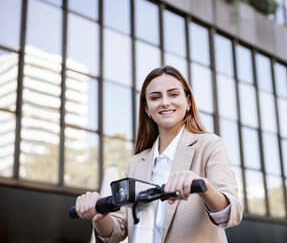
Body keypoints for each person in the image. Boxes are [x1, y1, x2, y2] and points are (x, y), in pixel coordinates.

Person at [75, 66, 243, 243]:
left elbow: (231, 212)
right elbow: (119, 229)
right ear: (147, 109)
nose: (165, 102)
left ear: (188, 102)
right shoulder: (136, 163)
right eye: (155, 97)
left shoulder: (208, 145)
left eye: (173, 94)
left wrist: (201, 185)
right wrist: (100, 215)